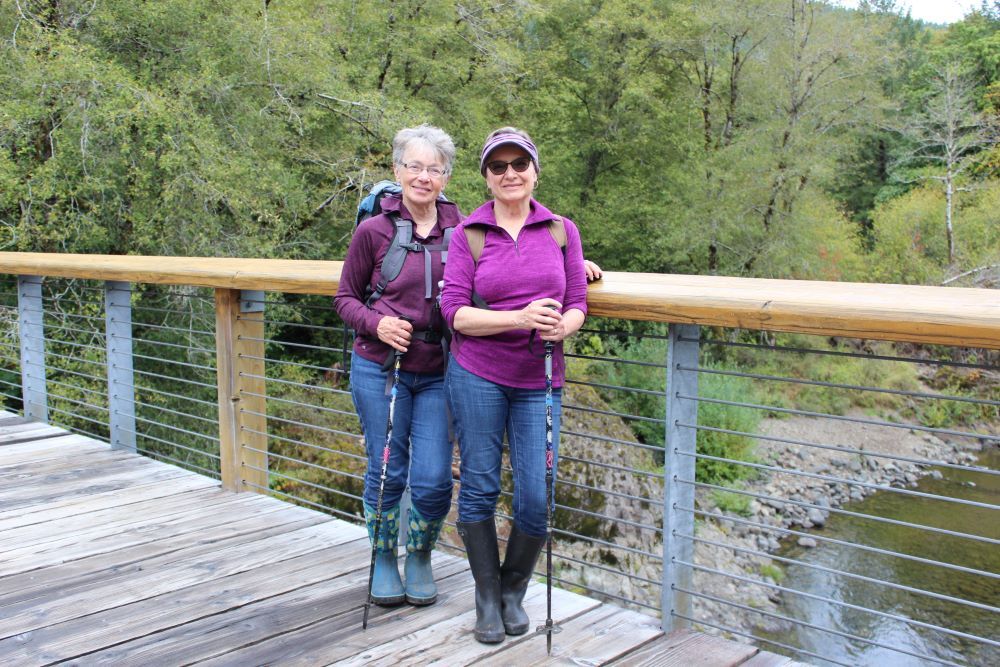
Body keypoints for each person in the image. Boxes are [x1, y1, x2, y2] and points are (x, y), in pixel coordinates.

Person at [439, 127, 589, 644]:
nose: (510, 174)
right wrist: (520, 318)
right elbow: (454, 313)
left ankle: (512, 591)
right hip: (477, 373)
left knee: (535, 493)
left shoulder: (562, 231)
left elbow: (577, 301)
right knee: (480, 484)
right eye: (498, 166)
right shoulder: (469, 233)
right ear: (486, 177)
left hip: (540, 379)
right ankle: (486, 596)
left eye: (519, 164)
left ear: (535, 172)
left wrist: (564, 326)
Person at [334, 124, 461, 608]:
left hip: (439, 371)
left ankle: (421, 554)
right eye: (414, 166)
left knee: (434, 477)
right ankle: (385, 556)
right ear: (397, 169)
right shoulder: (374, 231)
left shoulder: (464, 231)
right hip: (379, 367)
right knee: (387, 467)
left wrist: (570, 261)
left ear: (446, 177)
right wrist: (377, 324)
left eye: (434, 169)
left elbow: (507, 267)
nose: (423, 177)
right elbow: (345, 299)